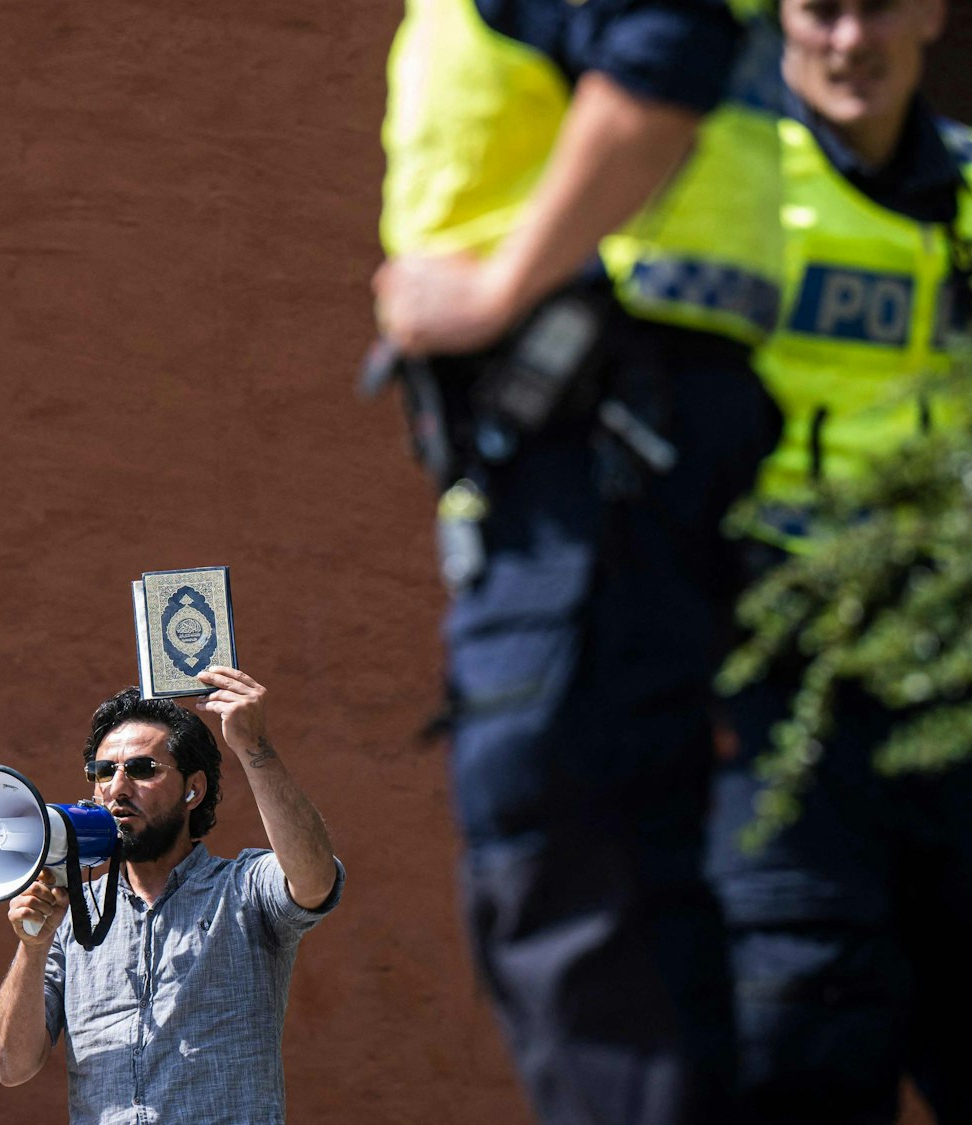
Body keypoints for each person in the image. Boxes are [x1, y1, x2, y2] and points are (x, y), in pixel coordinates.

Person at [370, 0, 789, 1120]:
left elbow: (657, 68)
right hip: (589, 449)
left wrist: (497, 289)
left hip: (598, 446)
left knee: (572, 849)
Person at [704, 1, 972, 1120]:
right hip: (772, 669)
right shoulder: (722, 183)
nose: (848, 40)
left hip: (943, 672)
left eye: (877, 5)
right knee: (802, 1029)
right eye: (819, 8)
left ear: (929, 14)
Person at [0, 668, 343, 1125]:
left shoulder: (242, 889)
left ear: (193, 789)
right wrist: (32, 948)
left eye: (141, 769)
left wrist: (254, 746)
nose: (117, 787)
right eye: (103, 771)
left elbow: (314, 880)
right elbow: (10, 1066)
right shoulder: (72, 913)